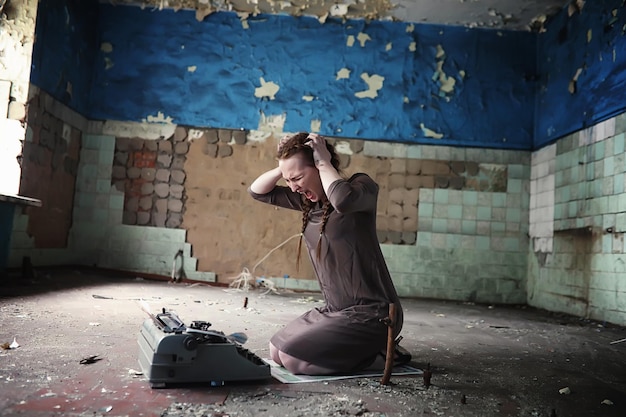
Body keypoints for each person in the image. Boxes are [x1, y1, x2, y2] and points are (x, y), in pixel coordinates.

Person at [248, 132, 409, 375]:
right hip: (335, 310)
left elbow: (342, 201)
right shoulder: (309, 203)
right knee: (276, 351)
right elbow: (257, 191)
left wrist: (323, 161)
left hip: (373, 313)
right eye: (288, 180)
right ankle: (367, 351)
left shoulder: (360, 189)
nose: (293, 187)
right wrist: (286, 167)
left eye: (298, 178)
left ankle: (380, 357)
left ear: (319, 165)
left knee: (294, 361)